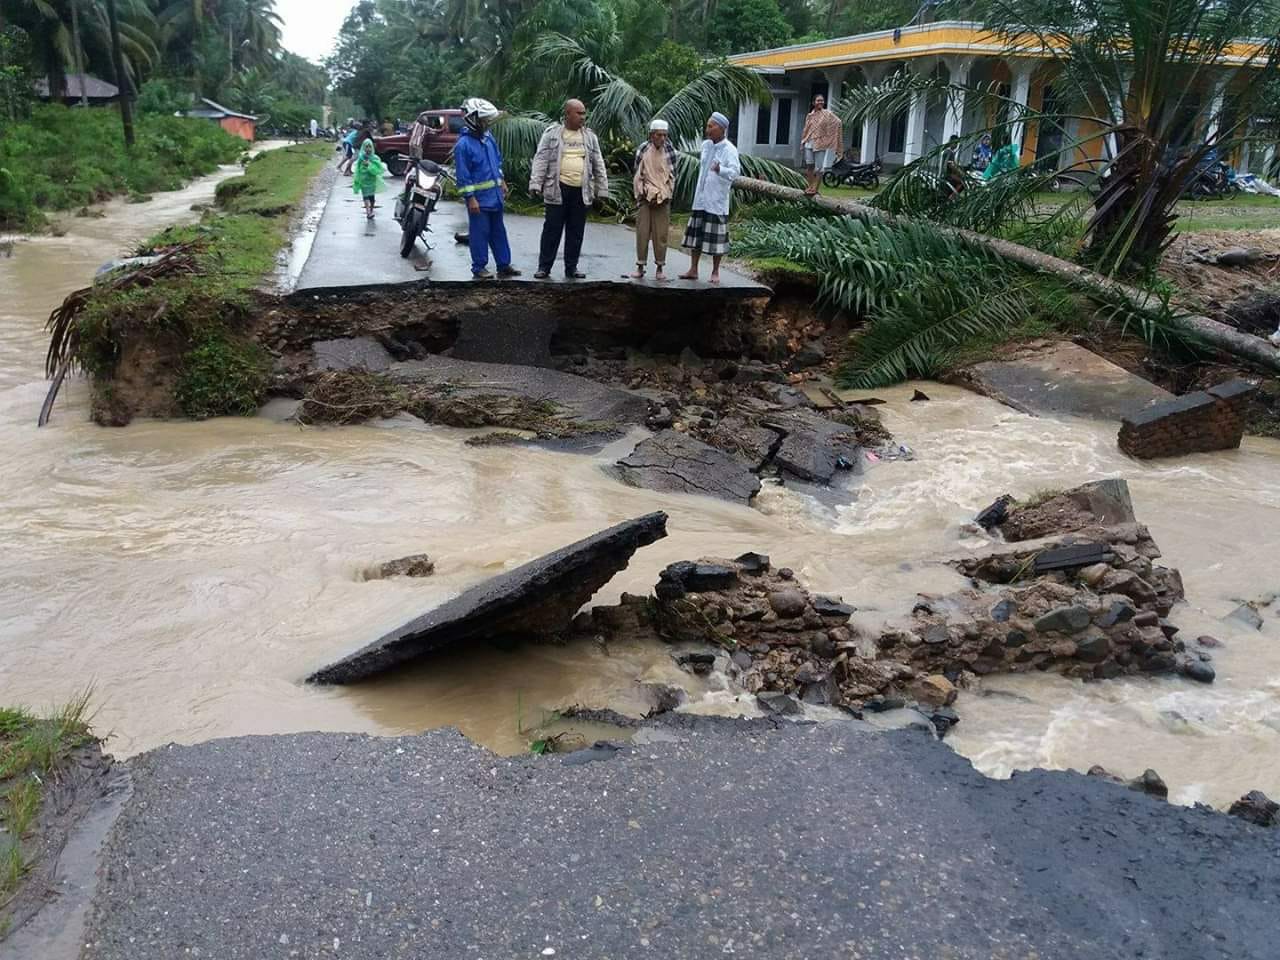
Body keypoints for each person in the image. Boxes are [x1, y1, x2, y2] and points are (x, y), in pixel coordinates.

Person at [529, 98, 610, 280]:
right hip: (557, 190)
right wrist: (535, 183)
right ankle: (544, 267)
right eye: (579, 113)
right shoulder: (552, 134)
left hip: (580, 192)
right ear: (567, 114)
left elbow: (598, 163)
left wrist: (602, 189)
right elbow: (541, 158)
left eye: (584, 113)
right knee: (552, 230)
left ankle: (571, 268)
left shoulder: (589, 137)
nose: (583, 117)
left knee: (576, 232)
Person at [454, 97, 521, 279]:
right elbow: (463, 176)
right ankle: (479, 267)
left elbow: (496, 162)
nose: (486, 123)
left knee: (499, 232)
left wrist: (502, 182)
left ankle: (503, 264)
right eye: (484, 120)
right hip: (479, 200)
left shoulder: (488, 139)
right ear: (473, 120)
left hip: (495, 196)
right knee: (479, 233)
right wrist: (470, 198)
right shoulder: (463, 145)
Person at [680, 112, 740, 285]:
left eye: (711, 126)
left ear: (721, 129)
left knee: (716, 239)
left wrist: (720, 169)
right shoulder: (706, 145)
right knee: (697, 235)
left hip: (717, 200)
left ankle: (715, 271)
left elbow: (735, 173)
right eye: (707, 126)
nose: (708, 130)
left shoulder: (730, 149)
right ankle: (693, 269)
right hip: (701, 197)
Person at [630, 118, 677, 281]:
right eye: (659, 135)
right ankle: (640, 265)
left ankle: (659, 267)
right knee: (642, 233)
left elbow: (672, 177)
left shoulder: (670, 151)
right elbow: (637, 175)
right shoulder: (642, 149)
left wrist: (665, 194)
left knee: (661, 234)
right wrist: (644, 193)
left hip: (663, 198)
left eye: (665, 135)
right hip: (645, 198)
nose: (662, 138)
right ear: (651, 135)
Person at [800, 93, 842, 196]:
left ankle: (815, 189)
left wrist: (828, 136)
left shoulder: (827, 114)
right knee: (809, 166)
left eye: (822, 100)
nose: (820, 102)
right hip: (809, 143)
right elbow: (806, 129)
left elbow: (838, 122)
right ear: (814, 102)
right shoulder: (809, 116)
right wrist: (803, 141)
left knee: (819, 168)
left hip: (820, 144)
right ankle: (810, 187)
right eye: (818, 100)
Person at [351, 139, 386, 220]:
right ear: (363, 147)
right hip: (364, 180)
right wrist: (357, 178)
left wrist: (369, 165)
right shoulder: (361, 158)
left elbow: (379, 169)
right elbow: (357, 169)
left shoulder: (375, 158)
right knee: (365, 196)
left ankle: (371, 210)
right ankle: (368, 212)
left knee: (372, 197)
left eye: (370, 146)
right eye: (366, 147)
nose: (368, 149)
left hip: (372, 181)